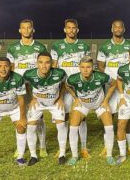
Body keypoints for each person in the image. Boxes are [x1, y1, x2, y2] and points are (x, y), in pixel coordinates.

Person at [6, 19, 48, 157]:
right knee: (20, 117)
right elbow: (10, 69)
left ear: (33, 30)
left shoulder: (40, 47)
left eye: (28, 28)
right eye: (23, 28)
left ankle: (42, 147)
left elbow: (45, 68)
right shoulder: (12, 48)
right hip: (19, 88)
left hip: (35, 88)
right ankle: (21, 147)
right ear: (20, 30)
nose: (26, 30)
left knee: (39, 117)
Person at [50, 18, 91, 158]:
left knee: (82, 117)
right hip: (63, 87)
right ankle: (64, 146)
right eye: (69, 28)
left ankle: (84, 147)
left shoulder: (84, 46)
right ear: (65, 29)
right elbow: (54, 67)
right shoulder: (57, 46)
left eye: (74, 28)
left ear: (77, 30)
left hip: (80, 88)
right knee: (64, 116)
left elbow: (88, 68)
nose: (71, 30)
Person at [65, 56, 117, 165]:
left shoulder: (101, 76)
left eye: (88, 67)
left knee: (109, 127)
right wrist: (75, 98)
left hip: (99, 105)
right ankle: (74, 156)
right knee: (73, 127)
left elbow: (114, 84)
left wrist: (106, 100)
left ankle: (109, 155)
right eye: (83, 67)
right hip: (83, 105)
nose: (85, 70)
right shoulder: (73, 78)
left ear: (92, 67)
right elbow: (67, 85)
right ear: (79, 67)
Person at [96, 19, 130, 157]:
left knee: (127, 117)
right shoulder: (105, 47)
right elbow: (100, 65)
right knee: (108, 116)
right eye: (115, 27)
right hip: (110, 87)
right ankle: (107, 147)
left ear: (124, 29)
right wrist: (108, 79)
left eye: (120, 27)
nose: (118, 29)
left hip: (125, 87)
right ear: (112, 29)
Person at [23, 52, 68, 165]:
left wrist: (61, 98)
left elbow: (64, 84)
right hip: (38, 103)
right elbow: (26, 85)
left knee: (61, 124)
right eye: (41, 62)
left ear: (52, 63)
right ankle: (33, 155)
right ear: (36, 63)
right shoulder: (29, 74)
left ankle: (62, 154)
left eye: (47, 62)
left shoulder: (60, 73)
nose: (44, 65)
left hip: (54, 102)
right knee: (31, 127)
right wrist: (32, 98)